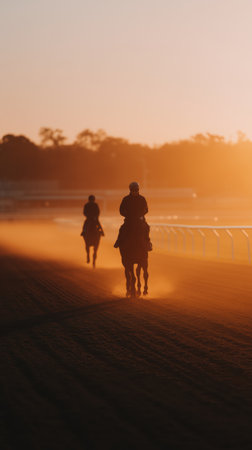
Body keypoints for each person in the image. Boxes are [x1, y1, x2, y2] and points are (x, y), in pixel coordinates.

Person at [114, 181, 152, 250]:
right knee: (122, 229)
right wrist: (128, 215)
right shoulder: (125, 199)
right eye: (133, 190)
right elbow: (121, 210)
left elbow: (146, 209)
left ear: (138, 189)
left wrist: (141, 215)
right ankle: (118, 241)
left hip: (140, 219)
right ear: (130, 190)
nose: (134, 192)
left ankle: (148, 242)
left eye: (136, 190)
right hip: (129, 220)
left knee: (147, 227)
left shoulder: (142, 199)